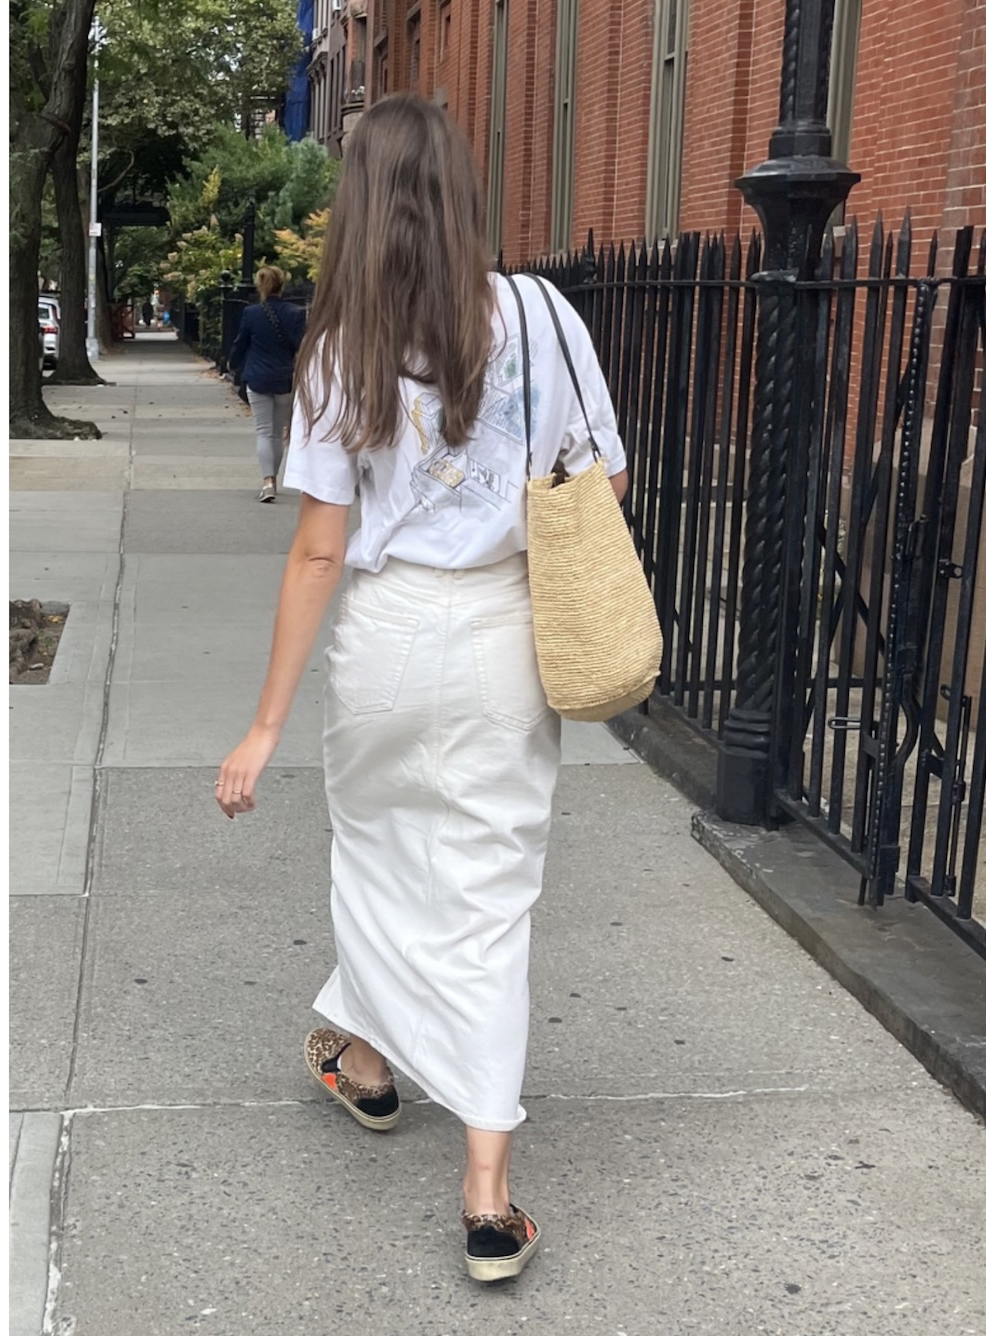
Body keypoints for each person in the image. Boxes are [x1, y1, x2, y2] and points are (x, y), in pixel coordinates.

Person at [214, 94, 629, 1284]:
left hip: (386, 639)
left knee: (381, 857)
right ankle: (486, 1195)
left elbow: (315, 550)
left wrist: (261, 723)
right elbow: (598, 486)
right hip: (507, 635)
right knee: (489, 897)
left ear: (356, 207)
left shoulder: (338, 347)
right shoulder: (543, 317)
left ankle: (370, 1062)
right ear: (460, 192)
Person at [225, 265, 307, 502]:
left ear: (261, 285)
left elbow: (241, 342)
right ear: (282, 285)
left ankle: (267, 480)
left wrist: (233, 362)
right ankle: (275, 477)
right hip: (283, 377)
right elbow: (300, 345)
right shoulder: (295, 313)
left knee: (263, 430)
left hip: (258, 376)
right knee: (277, 432)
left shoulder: (252, 313)